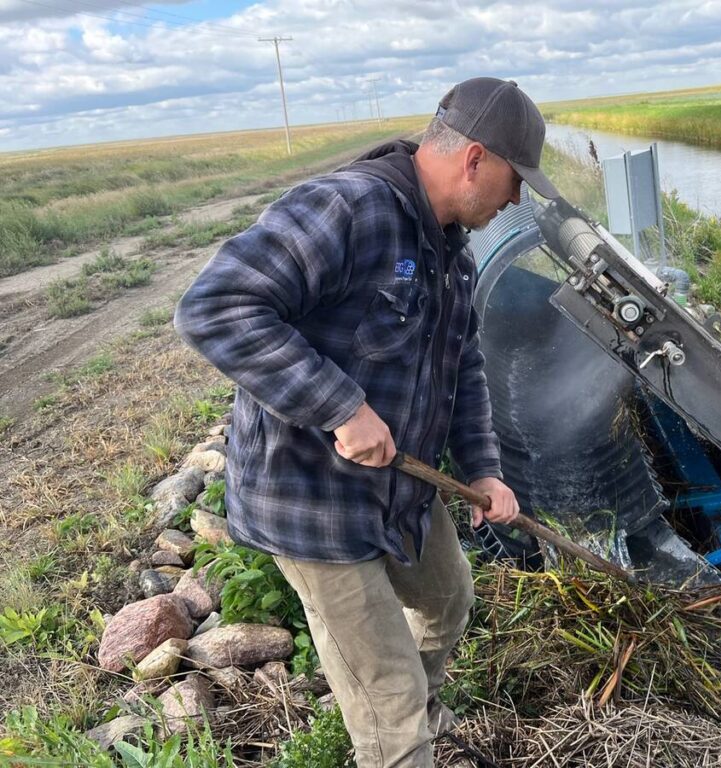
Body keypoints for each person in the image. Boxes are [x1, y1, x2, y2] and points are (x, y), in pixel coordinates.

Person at [174, 77, 559, 767]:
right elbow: (215, 307)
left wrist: (485, 469)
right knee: (392, 707)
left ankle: (409, 710)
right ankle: (397, 736)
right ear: (474, 158)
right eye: (513, 179)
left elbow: (463, 362)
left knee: (447, 599)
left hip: (397, 488)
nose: (516, 200)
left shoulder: (449, 251)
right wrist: (341, 406)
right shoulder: (350, 208)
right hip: (311, 499)